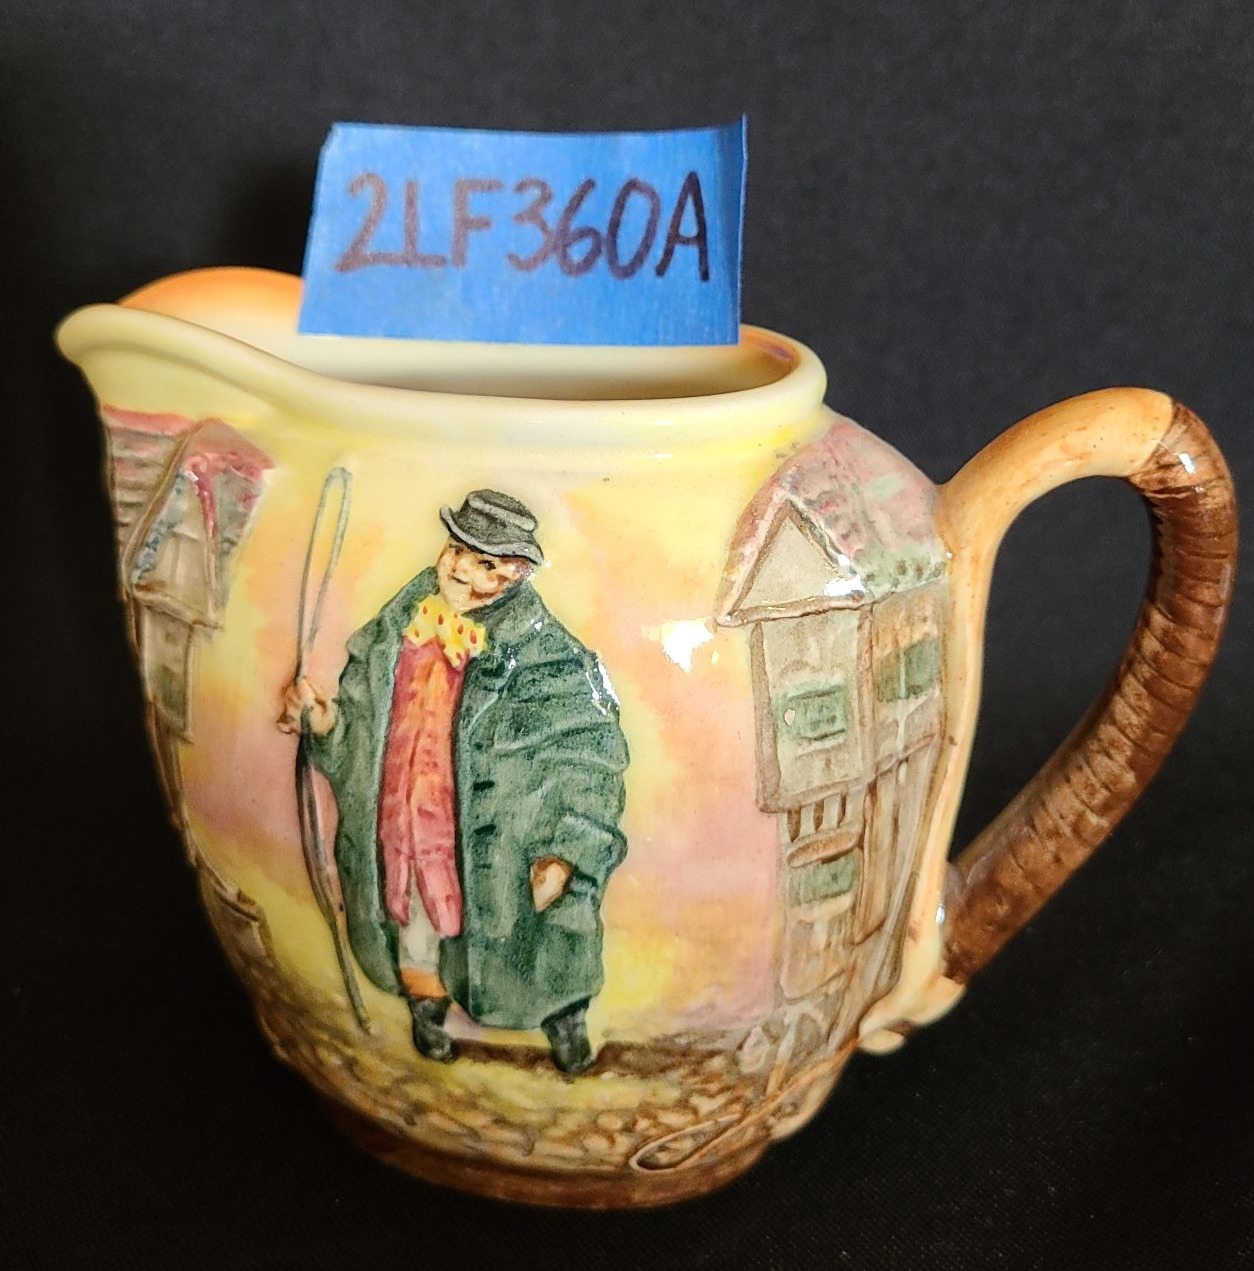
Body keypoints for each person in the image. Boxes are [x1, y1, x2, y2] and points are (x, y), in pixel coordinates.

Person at [278, 490, 628, 1074]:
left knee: (532, 941)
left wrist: (566, 849)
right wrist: (324, 724)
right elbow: (359, 736)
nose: (462, 570)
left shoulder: (549, 658)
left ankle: (564, 1018)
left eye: (485, 564)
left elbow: (587, 760)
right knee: (415, 920)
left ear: (515, 575)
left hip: (500, 836)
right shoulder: (396, 634)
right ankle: (426, 1010)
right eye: (457, 551)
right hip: (409, 819)